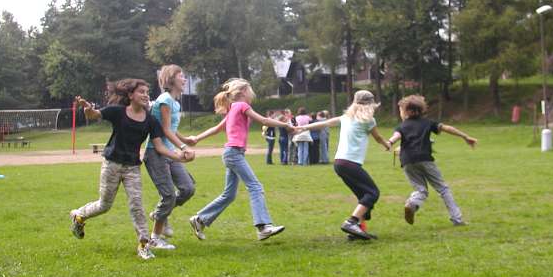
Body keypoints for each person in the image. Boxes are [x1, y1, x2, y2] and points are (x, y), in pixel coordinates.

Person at [70, 79, 194, 260]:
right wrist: (88, 109)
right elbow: (94, 115)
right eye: (141, 92)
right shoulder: (117, 112)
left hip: (132, 168)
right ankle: (79, 216)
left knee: (137, 206)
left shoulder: (151, 120)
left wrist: (180, 157)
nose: (145, 95)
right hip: (112, 164)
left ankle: (144, 245)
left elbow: (160, 147)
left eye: (147, 92)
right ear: (130, 95)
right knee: (104, 205)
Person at [186, 78, 294, 241]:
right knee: (255, 187)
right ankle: (263, 227)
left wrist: (196, 138)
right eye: (250, 91)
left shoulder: (232, 109)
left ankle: (200, 219)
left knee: (229, 195)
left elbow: (216, 129)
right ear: (243, 91)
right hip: (234, 153)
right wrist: (286, 125)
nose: (252, 95)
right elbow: (264, 120)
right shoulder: (242, 106)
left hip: (231, 154)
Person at [296, 90, 391, 240]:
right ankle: (351, 222)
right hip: (350, 163)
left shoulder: (346, 117)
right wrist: (387, 144)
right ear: (370, 105)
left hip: (339, 163)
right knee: (373, 193)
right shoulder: (369, 121)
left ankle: (358, 231)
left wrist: (304, 127)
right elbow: (378, 137)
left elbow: (325, 123)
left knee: (363, 196)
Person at [386, 95, 477, 226]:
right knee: (443, 189)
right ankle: (457, 219)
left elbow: (396, 136)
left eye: (401, 110)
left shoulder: (402, 126)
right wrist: (465, 137)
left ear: (407, 111)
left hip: (407, 161)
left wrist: (389, 142)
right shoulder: (428, 122)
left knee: (421, 190)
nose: (400, 113)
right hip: (425, 159)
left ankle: (412, 203)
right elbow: (447, 128)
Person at [144, 65, 196, 250]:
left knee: (188, 188)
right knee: (168, 195)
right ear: (171, 79)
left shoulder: (175, 102)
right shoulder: (165, 100)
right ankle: (154, 238)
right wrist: (183, 146)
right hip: (156, 153)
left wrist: (184, 139)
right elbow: (165, 130)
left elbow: (171, 128)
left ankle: (159, 214)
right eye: (181, 76)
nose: (185, 79)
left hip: (170, 152)